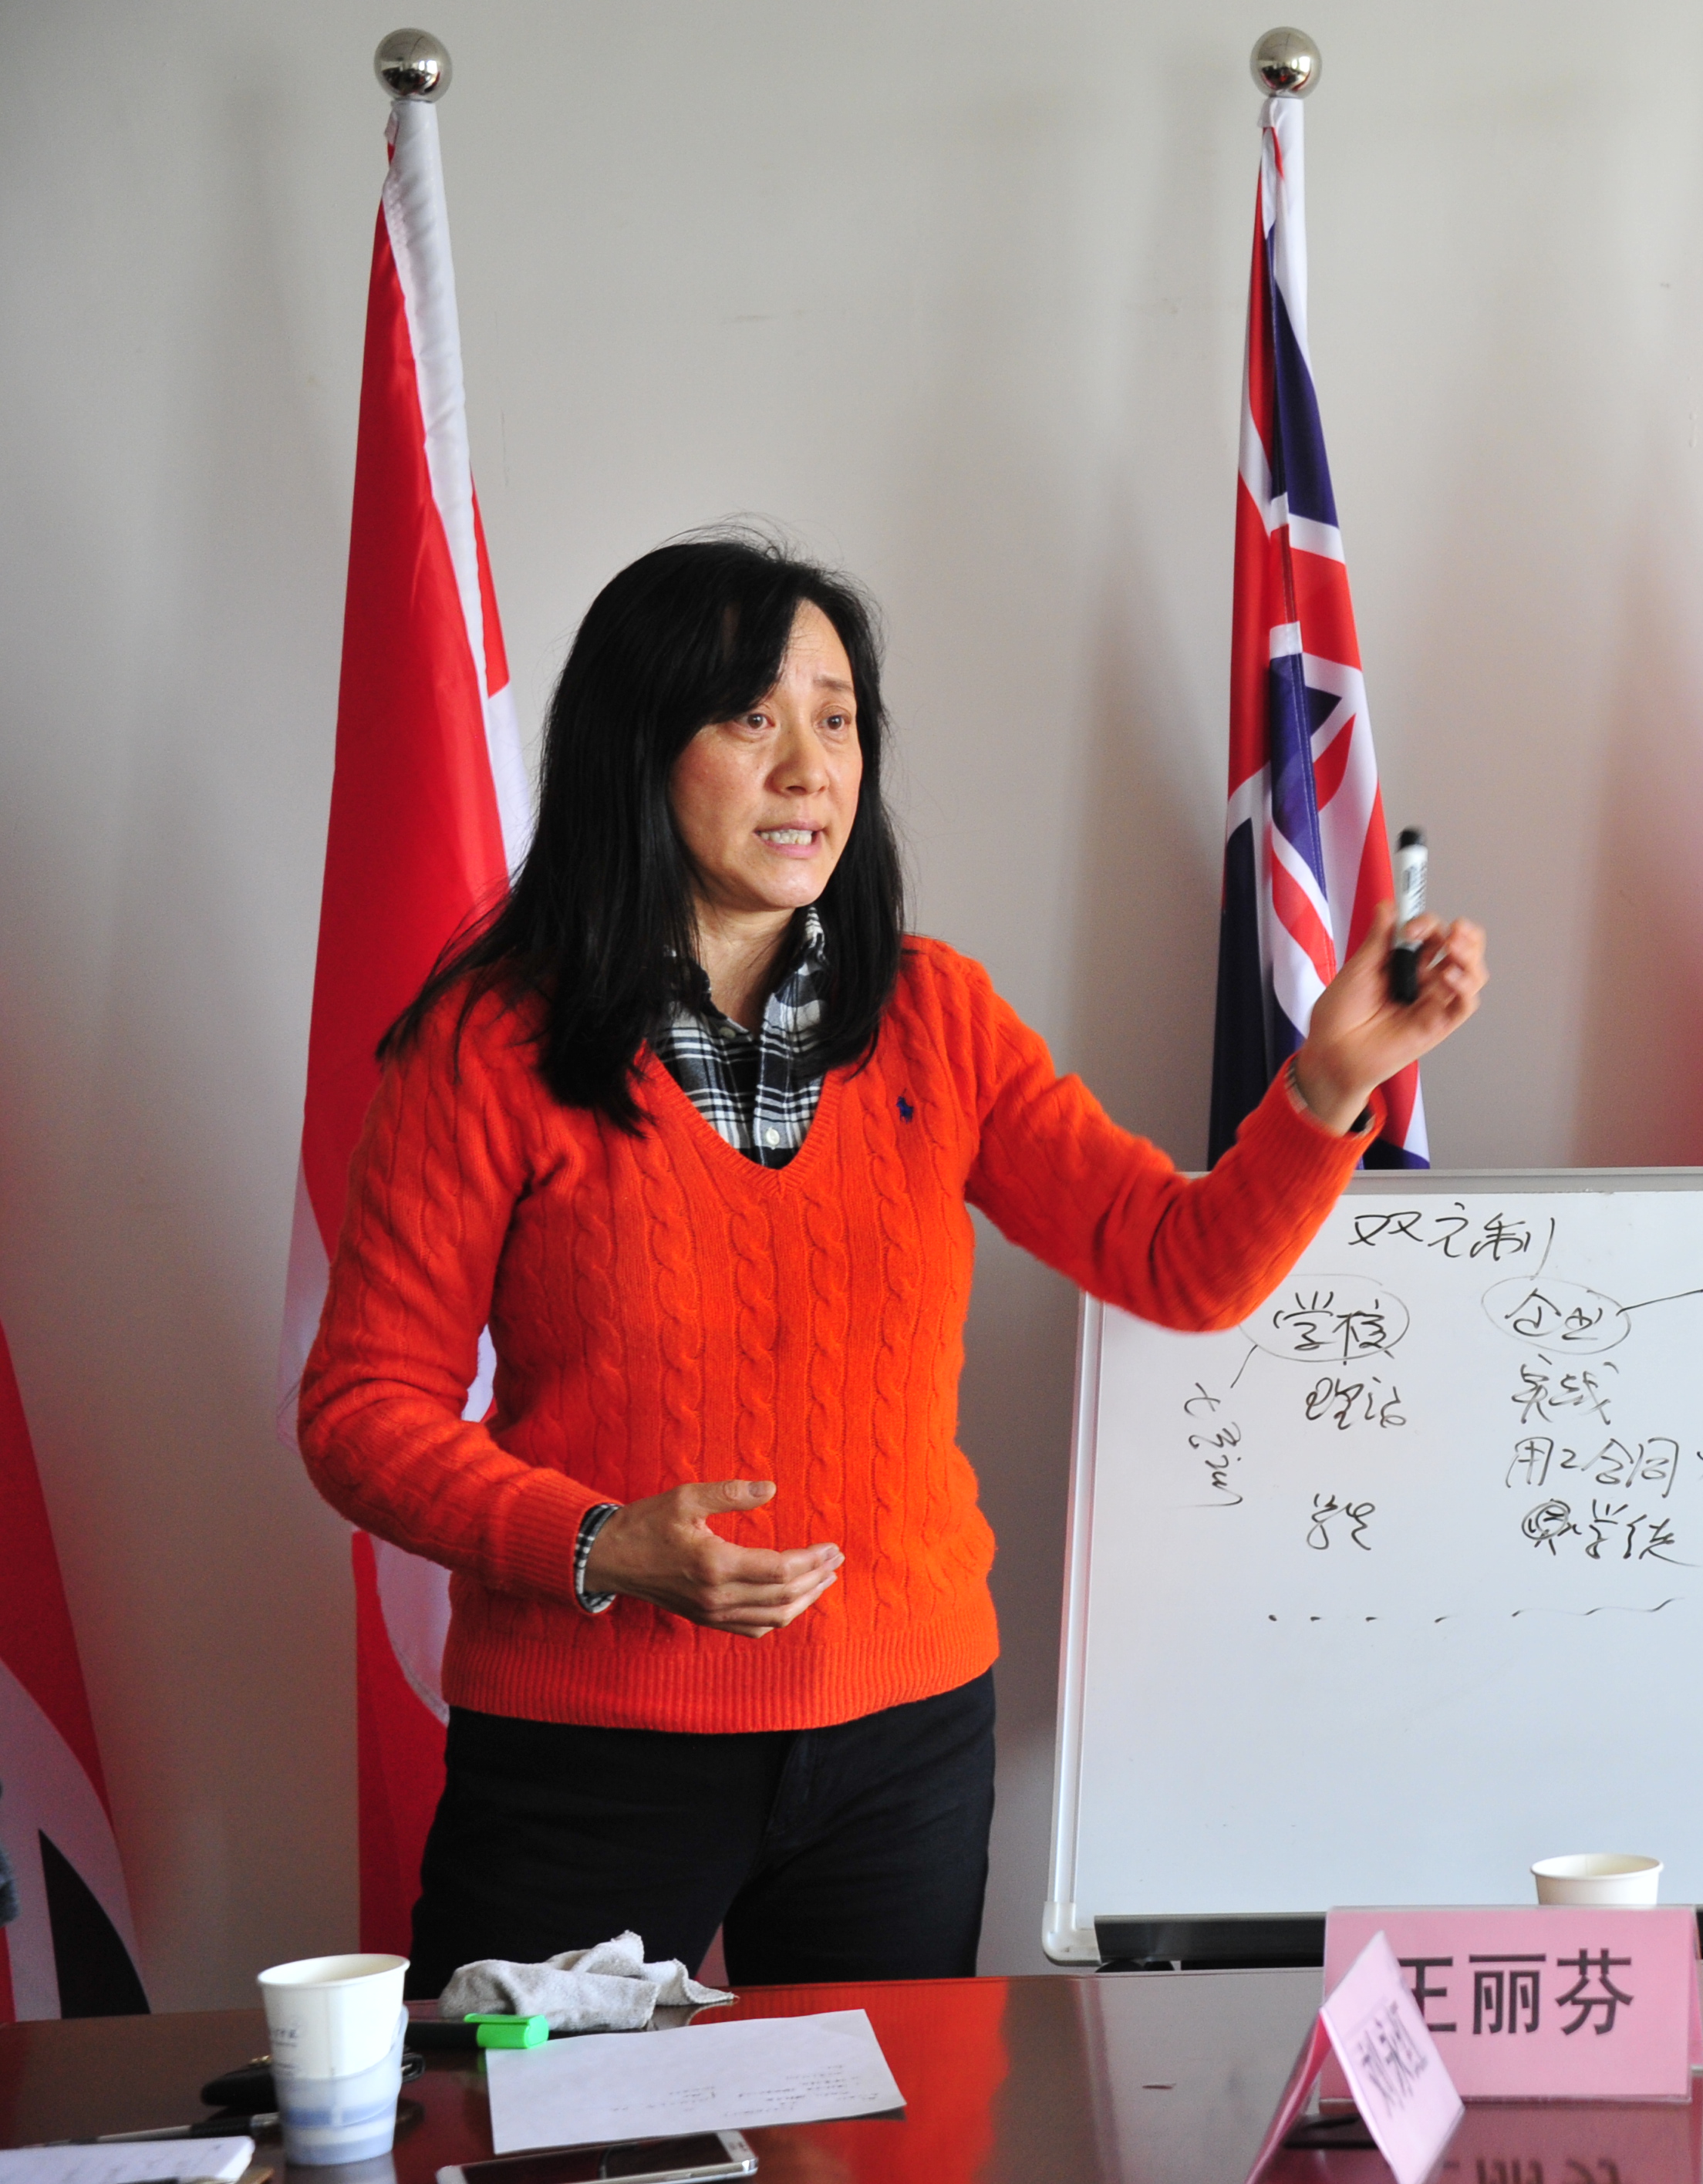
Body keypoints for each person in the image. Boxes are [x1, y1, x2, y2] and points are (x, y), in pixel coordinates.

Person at [296, 533, 1485, 1994]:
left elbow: (1179, 1264)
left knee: (876, 2120)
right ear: (637, 746)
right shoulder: (488, 1044)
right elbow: (361, 1412)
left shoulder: (938, 1017)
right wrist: (600, 1544)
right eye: (754, 718)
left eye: (838, 719)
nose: (811, 771)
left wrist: (1331, 1082)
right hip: (590, 1752)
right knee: (515, 2117)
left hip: (903, 1746)